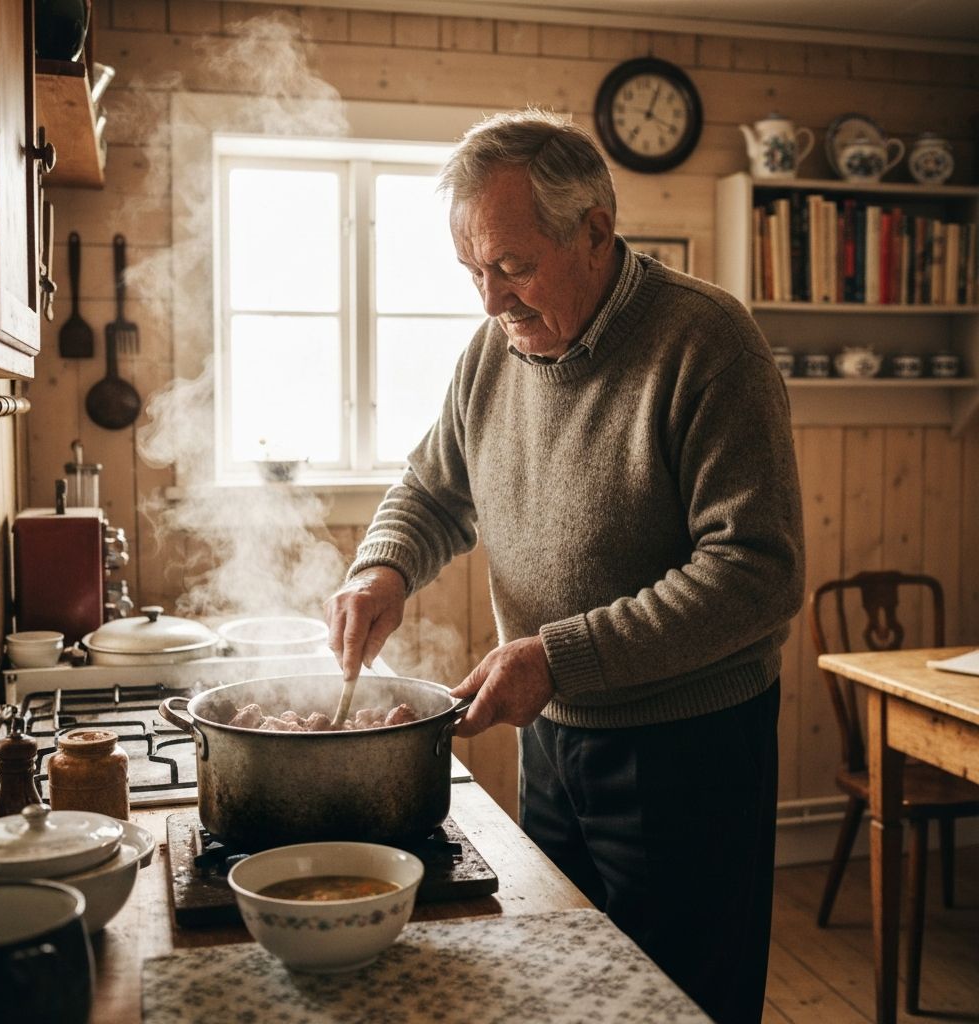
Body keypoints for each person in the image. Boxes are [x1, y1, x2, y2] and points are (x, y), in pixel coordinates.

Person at [325, 109, 804, 1024]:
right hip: (551, 735)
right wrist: (381, 570)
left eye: (512, 265)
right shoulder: (492, 352)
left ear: (595, 230)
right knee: (563, 988)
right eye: (472, 271)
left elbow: (756, 571)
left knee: (677, 1003)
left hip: (689, 749)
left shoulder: (708, 342)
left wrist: (558, 656)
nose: (490, 300)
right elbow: (431, 489)